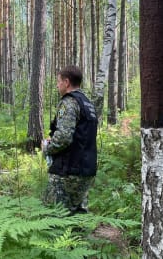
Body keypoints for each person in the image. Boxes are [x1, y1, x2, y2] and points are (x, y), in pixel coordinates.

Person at [43, 65, 98, 214]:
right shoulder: (88, 104)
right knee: (78, 217)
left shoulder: (69, 102)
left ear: (66, 82)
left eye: (58, 81)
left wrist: (47, 148)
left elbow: (64, 137)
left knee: (56, 217)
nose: (57, 85)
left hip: (67, 171)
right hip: (86, 170)